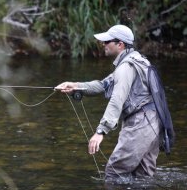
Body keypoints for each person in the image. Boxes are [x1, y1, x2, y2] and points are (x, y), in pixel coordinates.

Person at [56, 24, 162, 181]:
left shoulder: (126, 68)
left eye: (107, 41)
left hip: (141, 124)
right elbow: (103, 85)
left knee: (114, 172)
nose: (103, 44)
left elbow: (117, 99)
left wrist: (100, 131)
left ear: (120, 44)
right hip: (152, 122)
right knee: (143, 178)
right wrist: (76, 86)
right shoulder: (135, 60)